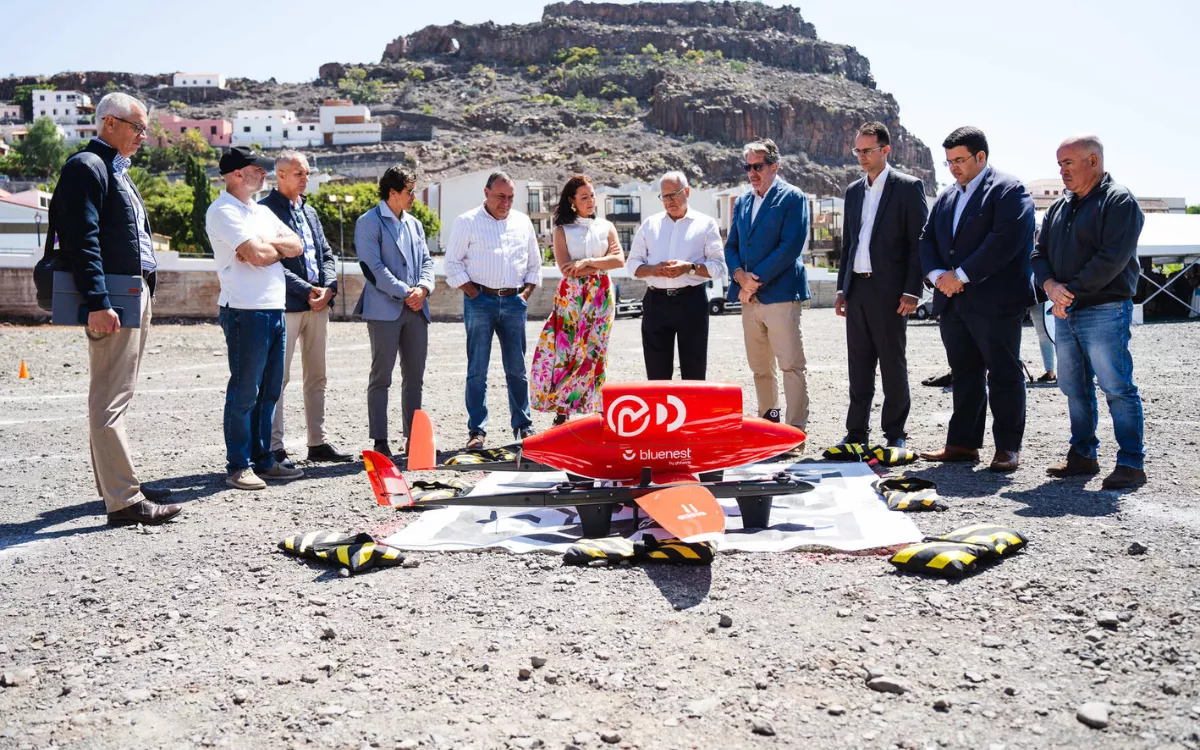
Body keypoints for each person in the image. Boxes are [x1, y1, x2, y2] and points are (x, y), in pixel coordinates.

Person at [53, 92, 181, 526]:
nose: (144, 136)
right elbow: (82, 239)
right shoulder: (87, 167)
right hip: (113, 298)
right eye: (137, 127)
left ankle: (118, 488)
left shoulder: (112, 169)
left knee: (115, 395)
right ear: (109, 123)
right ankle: (124, 500)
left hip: (129, 293)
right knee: (110, 397)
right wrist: (98, 302)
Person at [1031, 134, 1146, 489]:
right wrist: (1051, 287)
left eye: (1068, 163)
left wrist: (1068, 293)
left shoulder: (1118, 201)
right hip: (1067, 310)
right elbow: (1038, 255)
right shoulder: (1059, 208)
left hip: (1104, 309)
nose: (1061, 170)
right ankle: (1083, 455)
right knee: (1073, 386)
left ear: (1093, 162)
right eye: (1059, 164)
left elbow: (1112, 258)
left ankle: (1131, 463)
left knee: (1116, 386)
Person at [918, 126, 1035, 472]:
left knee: (1003, 373)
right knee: (964, 373)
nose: (953, 167)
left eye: (959, 159)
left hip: (994, 301)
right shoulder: (947, 196)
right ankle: (963, 444)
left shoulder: (1008, 190)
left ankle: (1007, 448)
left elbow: (1005, 241)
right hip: (952, 301)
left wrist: (962, 275)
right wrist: (939, 277)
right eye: (948, 161)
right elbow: (927, 240)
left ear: (981, 157)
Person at [205, 147, 306, 490]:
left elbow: (298, 244)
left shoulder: (259, 212)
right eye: (257, 169)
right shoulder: (222, 211)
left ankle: (264, 459)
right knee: (245, 390)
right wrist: (269, 247)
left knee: (270, 390)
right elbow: (256, 255)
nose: (264, 174)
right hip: (244, 310)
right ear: (236, 174)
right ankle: (238, 464)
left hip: (274, 307)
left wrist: (268, 245)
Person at [834, 122, 929, 448]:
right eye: (857, 150)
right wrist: (841, 288)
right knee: (858, 365)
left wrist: (913, 289)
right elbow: (849, 243)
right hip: (857, 289)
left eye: (867, 150)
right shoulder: (853, 191)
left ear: (885, 150)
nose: (861, 156)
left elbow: (920, 243)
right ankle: (856, 434)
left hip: (891, 293)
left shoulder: (908, 187)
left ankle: (895, 434)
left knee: (892, 364)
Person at [259, 150, 351, 466]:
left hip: (318, 306)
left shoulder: (309, 212)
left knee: (317, 376)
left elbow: (326, 254)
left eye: (307, 173)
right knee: (278, 378)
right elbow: (270, 263)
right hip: (286, 306)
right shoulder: (264, 212)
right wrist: (307, 289)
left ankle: (317, 442)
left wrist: (328, 288)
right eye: (300, 174)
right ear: (280, 175)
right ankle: (274, 446)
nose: (305, 179)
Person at [444, 171, 542, 449]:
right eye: (501, 196)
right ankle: (477, 431)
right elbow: (452, 263)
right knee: (477, 370)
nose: (506, 202)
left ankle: (523, 426)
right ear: (486, 193)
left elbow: (535, 264)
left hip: (513, 302)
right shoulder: (467, 222)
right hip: (480, 302)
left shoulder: (523, 222)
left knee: (517, 369)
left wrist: (525, 294)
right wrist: (474, 294)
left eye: (511, 197)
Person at [723, 139, 811, 445]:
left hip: (780, 294)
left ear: (774, 166)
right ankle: (767, 427)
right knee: (760, 367)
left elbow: (790, 247)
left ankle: (795, 432)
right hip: (750, 298)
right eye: (747, 167)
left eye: (758, 166)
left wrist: (753, 281)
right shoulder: (743, 202)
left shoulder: (793, 198)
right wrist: (738, 276)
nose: (752, 173)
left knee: (790, 365)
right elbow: (731, 245)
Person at [530, 175, 625, 422]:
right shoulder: (562, 231)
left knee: (596, 348)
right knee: (568, 349)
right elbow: (565, 268)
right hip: (571, 296)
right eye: (584, 197)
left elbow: (619, 260)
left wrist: (588, 262)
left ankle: (597, 405)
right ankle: (563, 409)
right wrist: (600, 265)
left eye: (592, 195)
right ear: (572, 201)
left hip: (601, 295)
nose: (591, 201)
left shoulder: (606, 226)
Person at [355, 165, 434, 456]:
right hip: (384, 310)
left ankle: (413, 438)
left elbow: (427, 261)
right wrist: (406, 293)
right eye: (409, 191)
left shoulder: (415, 224)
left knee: (415, 377)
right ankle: (380, 440)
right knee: (382, 377)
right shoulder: (368, 222)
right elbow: (372, 269)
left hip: (416, 309)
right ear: (392, 193)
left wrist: (423, 289)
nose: (414, 196)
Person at [626, 171, 726, 380]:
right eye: (665, 196)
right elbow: (633, 265)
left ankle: (694, 414)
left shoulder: (705, 224)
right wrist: (654, 270)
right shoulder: (650, 225)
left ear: (687, 192)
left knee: (694, 371)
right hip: (656, 302)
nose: (669, 201)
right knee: (656, 374)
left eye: (674, 194)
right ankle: (662, 413)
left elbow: (718, 266)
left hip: (692, 302)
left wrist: (688, 268)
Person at [1028, 301, 1056, 383]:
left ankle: (1055, 372)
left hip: (1042, 294)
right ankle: (1050, 372)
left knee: (1047, 332)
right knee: (1043, 334)